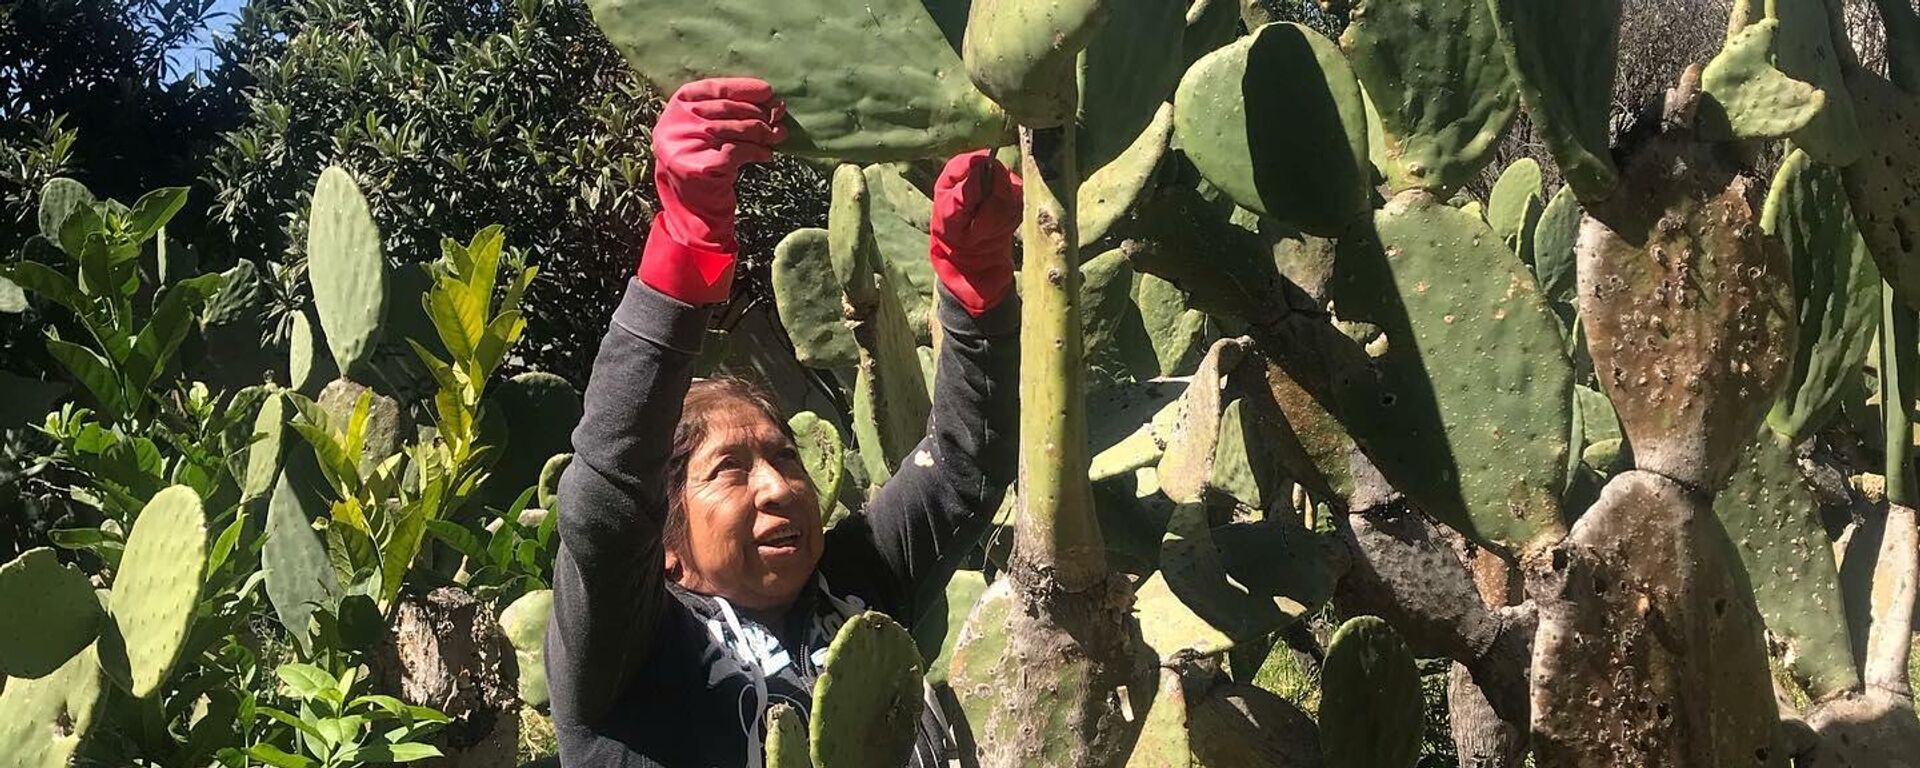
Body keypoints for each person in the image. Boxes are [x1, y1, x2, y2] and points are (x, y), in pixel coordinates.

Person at [545, 77, 1023, 767]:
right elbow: (605, 506)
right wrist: (682, 250)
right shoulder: (632, 649)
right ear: (669, 547)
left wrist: (977, 286)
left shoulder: (857, 579)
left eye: (786, 457)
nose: (778, 487)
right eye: (729, 471)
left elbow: (964, 468)